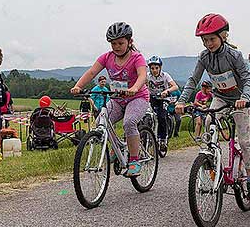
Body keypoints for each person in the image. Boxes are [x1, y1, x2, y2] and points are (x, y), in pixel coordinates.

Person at [175, 13, 250, 200]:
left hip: (240, 99)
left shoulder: (234, 55)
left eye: (212, 39)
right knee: (208, 122)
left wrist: (245, 97)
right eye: (204, 40)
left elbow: (247, 79)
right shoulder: (204, 57)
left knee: (244, 141)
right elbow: (193, 80)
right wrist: (181, 101)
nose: (208, 44)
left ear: (223, 36)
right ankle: (213, 166)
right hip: (220, 97)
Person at [71, 22, 149, 177]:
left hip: (137, 97)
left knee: (129, 122)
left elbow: (142, 75)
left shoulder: (136, 57)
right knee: (101, 122)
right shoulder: (107, 58)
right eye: (113, 43)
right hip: (117, 99)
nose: (117, 46)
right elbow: (92, 72)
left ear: (129, 42)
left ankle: (134, 160)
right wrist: (78, 86)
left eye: (120, 43)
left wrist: (134, 88)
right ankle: (117, 147)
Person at [147, 55, 179, 149]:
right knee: (146, 115)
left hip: (163, 98)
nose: (154, 70)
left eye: (156, 68)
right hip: (151, 98)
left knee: (161, 117)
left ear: (160, 67)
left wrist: (167, 91)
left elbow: (175, 86)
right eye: (152, 68)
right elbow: (142, 84)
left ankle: (163, 139)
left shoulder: (165, 75)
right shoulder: (147, 76)